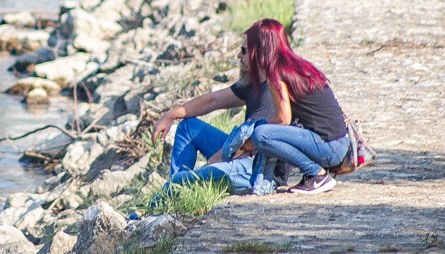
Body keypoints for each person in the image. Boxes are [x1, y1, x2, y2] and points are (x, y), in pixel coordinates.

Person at [150, 38, 276, 192]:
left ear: (259, 55)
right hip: (240, 153)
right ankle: (176, 193)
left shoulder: (270, 92)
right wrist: (170, 115)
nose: (238, 55)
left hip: (252, 167)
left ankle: (172, 191)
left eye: (243, 51)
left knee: (177, 180)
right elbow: (212, 100)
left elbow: (245, 147)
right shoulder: (254, 82)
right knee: (188, 127)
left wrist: (212, 163)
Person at [244, 18, 350, 194]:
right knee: (264, 132)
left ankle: (317, 174)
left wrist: (251, 142)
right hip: (339, 143)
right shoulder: (295, 66)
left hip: (330, 149)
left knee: (261, 134)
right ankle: (312, 174)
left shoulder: (275, 72)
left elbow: (283, 118)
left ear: (260, 47)